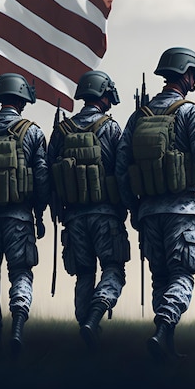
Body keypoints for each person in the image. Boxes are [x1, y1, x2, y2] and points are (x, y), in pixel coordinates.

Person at [115, 48, 195, 361]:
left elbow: (120, 167)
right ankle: (162, 327)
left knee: (160, 277)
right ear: (184, 73)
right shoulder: (190, 113)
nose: (194, 83)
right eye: (193, 75)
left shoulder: (138, 116)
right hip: (181, 211)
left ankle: (164, 343)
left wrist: (134, 210)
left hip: (149, 213)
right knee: (183, 275)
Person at [48, 70, 130, 350]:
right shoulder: (111, 128)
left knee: (84, 274)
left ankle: (85, 330)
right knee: (113, 268)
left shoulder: (61, 131)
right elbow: (121, 171)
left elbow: (49, 175)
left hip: (73, 217)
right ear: (103, 95)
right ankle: (94, 318)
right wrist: (127, 207)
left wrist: (55, 211)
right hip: (106, 215)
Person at [0, 73, 50, 357]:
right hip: (20, 217)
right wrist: (40, 212)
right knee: (20, 273)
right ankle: (17, 326)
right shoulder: (32, 131)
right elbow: (41, 177)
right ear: (22, 99)